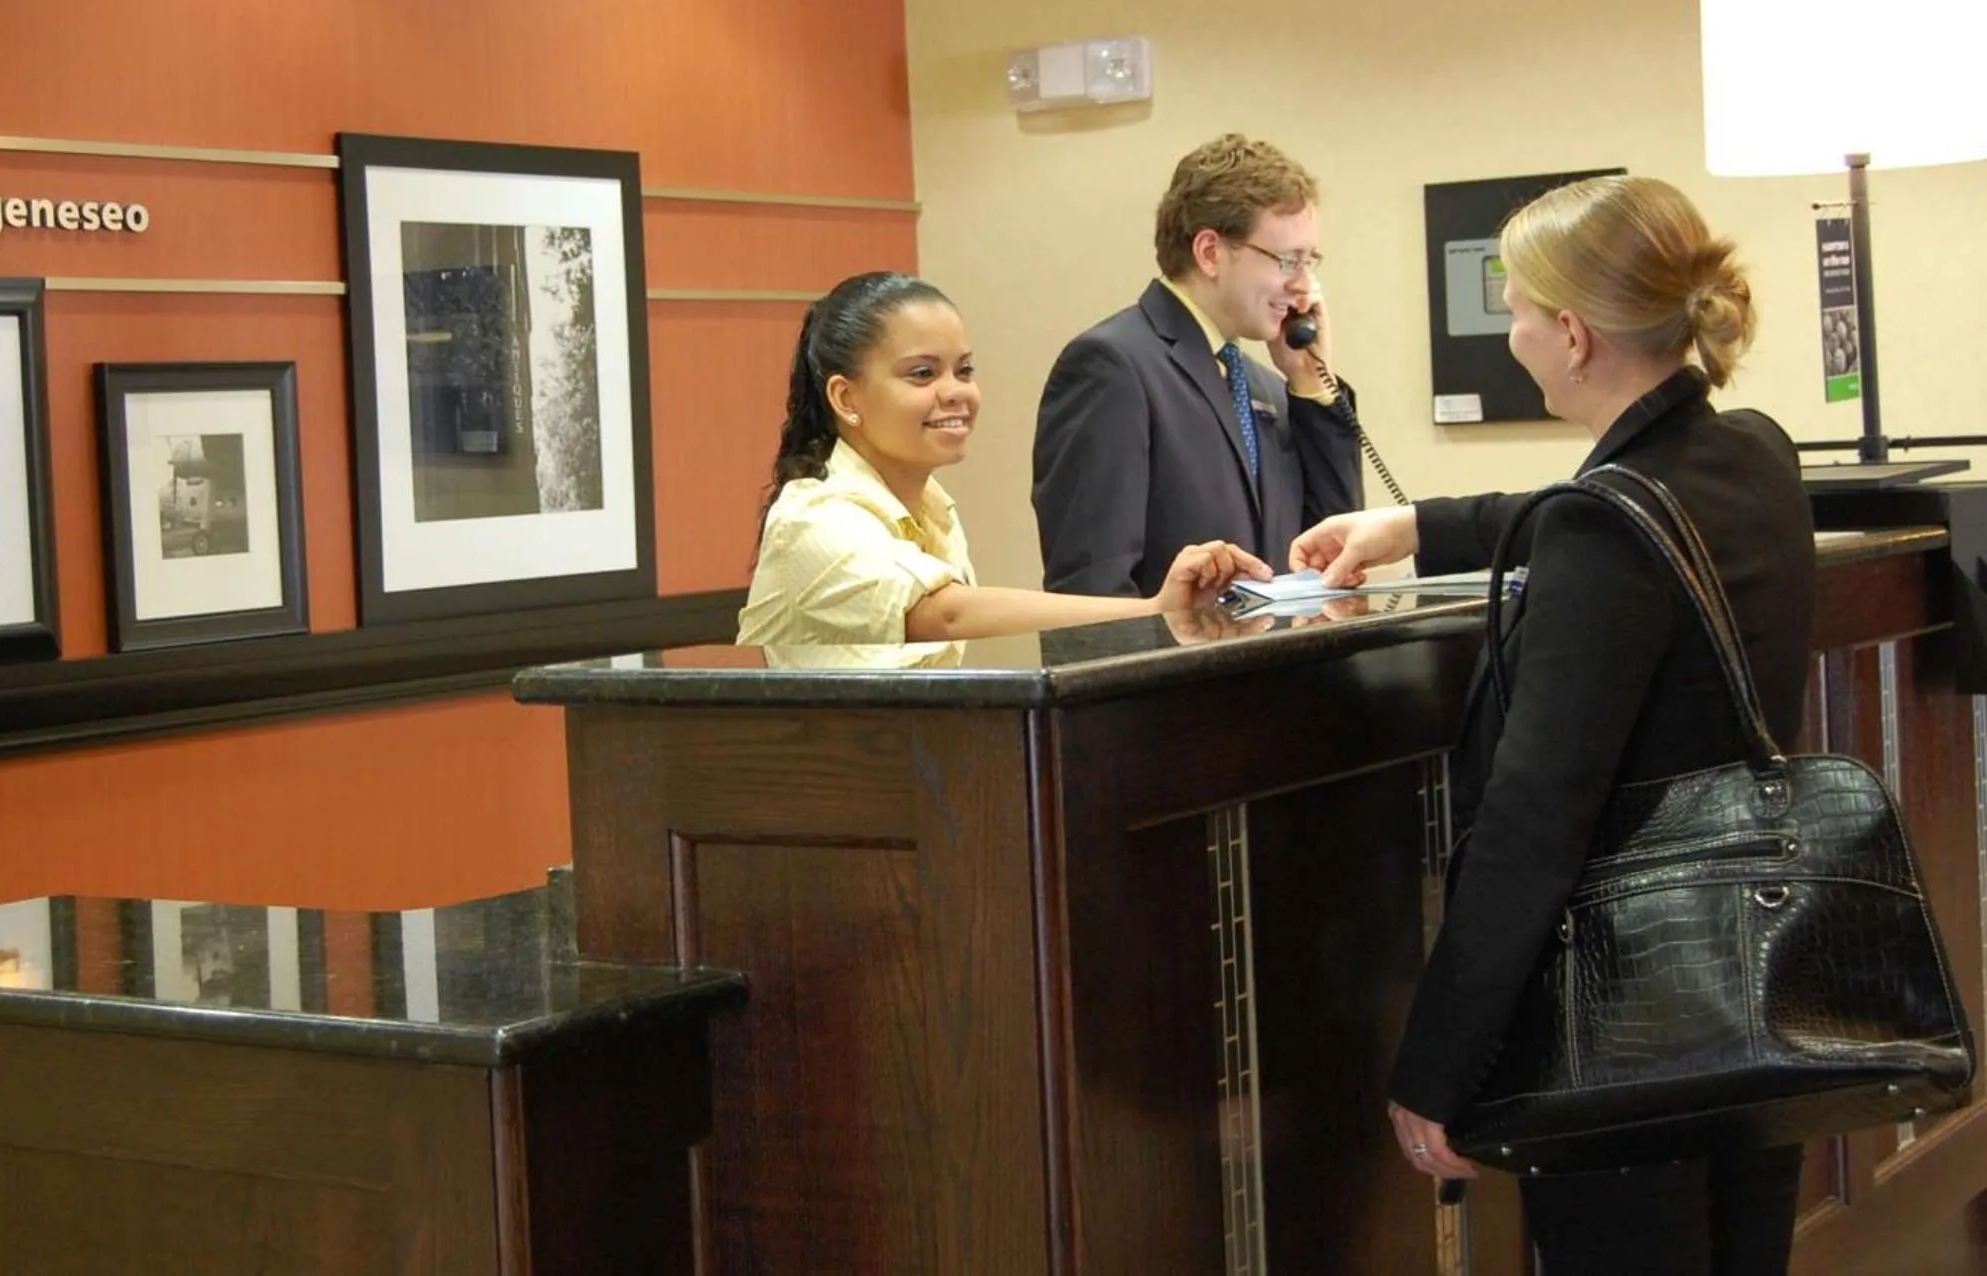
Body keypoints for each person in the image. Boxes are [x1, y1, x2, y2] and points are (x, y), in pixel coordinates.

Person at [1289, 176, 1815, 1275]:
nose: (1515, 329)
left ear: (1570, 335)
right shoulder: (1755, 454)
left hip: (1622, 1025)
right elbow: (1614, 512)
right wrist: (1413, 525)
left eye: (1520, 308)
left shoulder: (1603, 526)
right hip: (1753, 988)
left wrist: (1439, 1064)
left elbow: (1533, 819)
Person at [739, 271, 1270, 646]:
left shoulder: (934, 510)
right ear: (845, 398)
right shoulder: (813, 516)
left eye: (964, 370)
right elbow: (941, 615)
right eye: (922, 374)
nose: (956, 393)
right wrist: (1152, 612)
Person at [1031, 133, 1363, 595]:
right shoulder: (1111, 367)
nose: (1305, 287)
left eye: (1311, 262)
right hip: (1175, 666)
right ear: (1210, 253)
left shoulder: (1265, 386)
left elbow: (1330, 558)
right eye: (1288, 261)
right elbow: (1092, 587)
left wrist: (1311, 384)